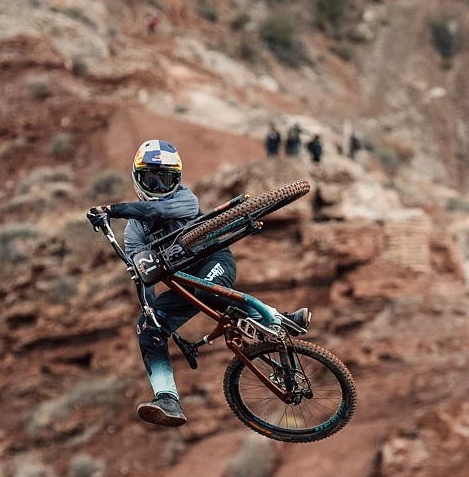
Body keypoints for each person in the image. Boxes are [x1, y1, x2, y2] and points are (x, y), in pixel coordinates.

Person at [92, 139, 310, 428]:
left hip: (214, 262)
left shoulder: (185, 199)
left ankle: (279, 317)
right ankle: (167, 399)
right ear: (137, 179)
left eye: (165, 179)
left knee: (208, 291)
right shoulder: (134, 232)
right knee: (147, 328)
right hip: (183, 285)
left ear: (177, 180)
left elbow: (156, 212)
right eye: (151, 179)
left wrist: (113, 209)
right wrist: (149, 310)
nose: (158, 185)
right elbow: (141, 272)